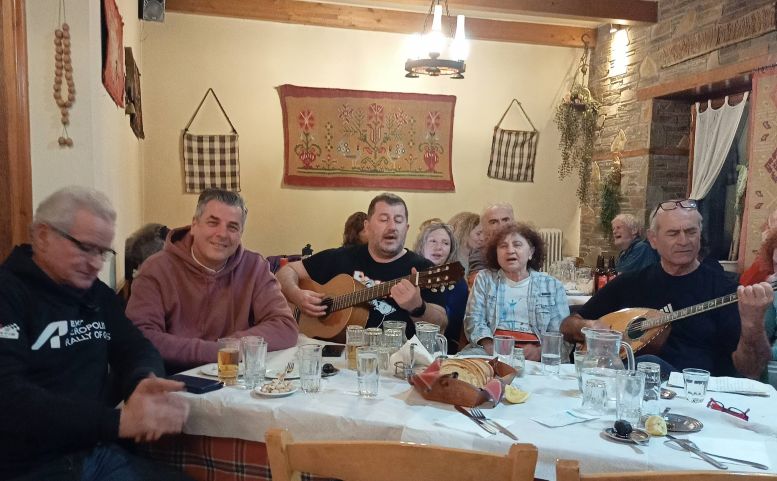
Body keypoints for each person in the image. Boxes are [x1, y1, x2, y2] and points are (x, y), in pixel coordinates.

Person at [0, 187, 190, 480]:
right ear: (42, 236)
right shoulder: (9, 293)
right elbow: (10, 398)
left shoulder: (95, 293)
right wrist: (118, 422)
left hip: (96, 453)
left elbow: (135, 346)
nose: (96, 264)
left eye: (103, 252)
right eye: (85, 248)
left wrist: (143, 379)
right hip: (30, 465)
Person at [560, 199, 774, 379]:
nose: (684, 241)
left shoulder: (724, 289)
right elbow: (568, 325)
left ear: (700, 235)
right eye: (673, 233)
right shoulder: (630, 282)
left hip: (693, 396)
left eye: (691, 232)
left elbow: (751, 370)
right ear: (653, 239)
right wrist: (588, 327)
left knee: (648, 363)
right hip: (629, 389)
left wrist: (753, 323)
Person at [126, 188, 298, 373]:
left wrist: (228, 348)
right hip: (174, 380)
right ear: (194, 225)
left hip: (234, 379)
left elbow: (285, 326)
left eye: (232, 227)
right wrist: (218, 351)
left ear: (241, 234)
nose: (222, 233)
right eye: (213, 223)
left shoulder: (255, 267)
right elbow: (141, 335)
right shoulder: (155, 269)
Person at [277, 193, 447, 340]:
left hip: (397, 361)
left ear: (406, 228)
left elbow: (441, 326)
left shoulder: (424, 270)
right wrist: (296, 294)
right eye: (384, 219)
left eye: (398, 220)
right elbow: (286, 271)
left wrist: (418, 308)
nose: (392, 227)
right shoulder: (341, 257)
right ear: (367, 226)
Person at [463, 222, 570, 361]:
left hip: (536, 356)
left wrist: (539, 352)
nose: (510, 250)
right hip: (490, 351)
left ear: (531, 252)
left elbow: (561, 334)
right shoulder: (485, 279)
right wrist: (490, 346)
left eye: (517, 245)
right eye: (503, 246)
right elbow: (473, 320)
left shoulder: (552, 285)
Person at [413, 222, 467, 353]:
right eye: (433, 241)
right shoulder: (409, 274)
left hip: (444, 348)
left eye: (445, 243)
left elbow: (453, 326)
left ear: (451, 250)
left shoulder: (458, 282)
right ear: (421, 245)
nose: (438, 247)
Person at [468, 202, 515, 283]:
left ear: (514, 223)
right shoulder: (480, 253)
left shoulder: (524, 247)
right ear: (484, 228)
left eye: (505, 220)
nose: (501, 226)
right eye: (494, 222)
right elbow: (477, 283)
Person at [741, 207, 777, 286]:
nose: (765, 232)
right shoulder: (764, 261)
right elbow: (743, 285)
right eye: (767, 227)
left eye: (769, 228)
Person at [448, 211, 484, 277]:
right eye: (478, 234)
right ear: (464, 233)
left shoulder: (478, 258)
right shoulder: (448, 258)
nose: (482, 238)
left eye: (484, 233)